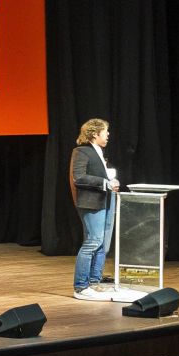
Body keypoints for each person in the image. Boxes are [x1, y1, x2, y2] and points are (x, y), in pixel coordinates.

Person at [69, 118, 120, 300]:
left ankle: (94, 281)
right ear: (95, 134)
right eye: (105, 131)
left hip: (106, 200)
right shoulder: (82, 151)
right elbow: (79, 177)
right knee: (93, 242)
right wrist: (104, 182)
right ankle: (81, 286)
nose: (108, 135)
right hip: (91, 203)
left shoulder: (99, 152)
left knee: (102, 244)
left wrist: (111, 182)